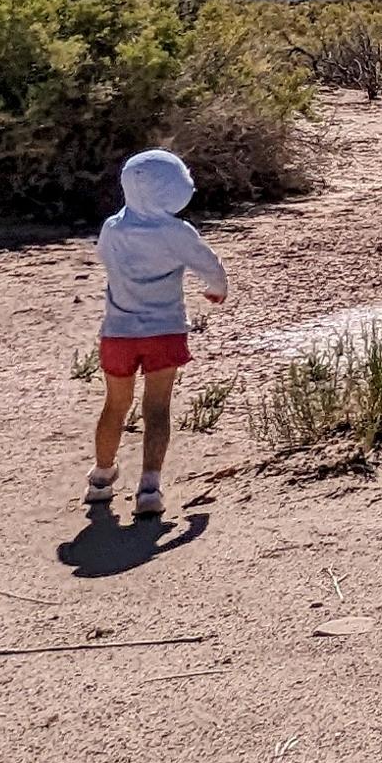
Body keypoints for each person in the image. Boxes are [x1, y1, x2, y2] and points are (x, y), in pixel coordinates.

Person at [88, 147, 228, 521]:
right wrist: (217, 289)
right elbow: (210, 266)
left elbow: (104, 258)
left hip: (118, 332)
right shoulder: (176, 232)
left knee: (115, 404)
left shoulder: (113, 228)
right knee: (157, 407)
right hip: (164, 331)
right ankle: (149, 488)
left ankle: (101, 477)